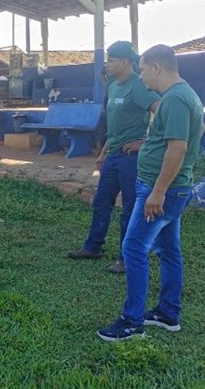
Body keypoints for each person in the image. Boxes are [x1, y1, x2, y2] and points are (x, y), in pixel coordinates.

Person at [97, 45, 205, 342]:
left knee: (133, 247)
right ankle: (168, 313)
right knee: (168, 249)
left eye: (143, 70)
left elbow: (178, 148)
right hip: (171, 187)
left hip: (162, 189)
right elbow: (193, 132)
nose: (141, 77)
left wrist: (157, 192)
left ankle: (132, 322)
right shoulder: (186, 95)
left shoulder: (175, 98)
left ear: (157, 67)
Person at [69, 41, 160, 274]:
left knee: (130, 207)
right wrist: (104, 152)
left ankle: (126, 258)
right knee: (102, 201)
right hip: (113, 155)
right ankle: (93, 247)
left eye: (111, 60)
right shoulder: (113, 87)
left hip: (131, 158)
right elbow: (115, 125)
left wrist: (146, 142)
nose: (107, 64)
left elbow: (161, 111)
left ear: (125, 62)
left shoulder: (138, 86)